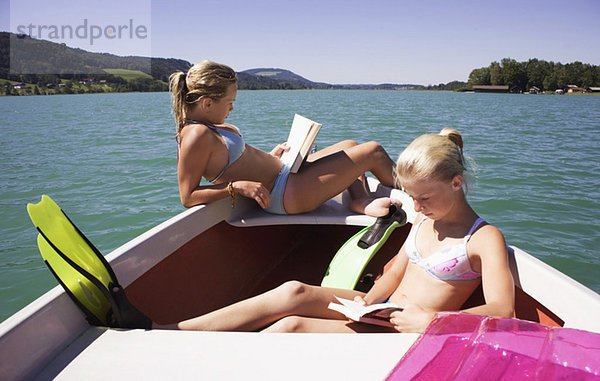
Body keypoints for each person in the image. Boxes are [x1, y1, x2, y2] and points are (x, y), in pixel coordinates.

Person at [156, 128, 515, 333]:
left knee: (290, 328)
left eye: (423, 198)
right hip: (381, 310)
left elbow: (502, 310)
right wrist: (368, 301)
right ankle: (174, 332)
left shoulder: (483, 238)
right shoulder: (424, 219)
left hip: (404, 331)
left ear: (456, 183)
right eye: (413, 197)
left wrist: (428, 321)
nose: (414, 207)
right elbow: (395, 278)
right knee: (293, 290)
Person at [169, 60, 397, 216]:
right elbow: (187, 196)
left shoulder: (207, 126)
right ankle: (420, 189)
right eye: (230, 103)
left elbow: (237, 163)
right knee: (373, 151)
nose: (231, 109)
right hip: (284, 192)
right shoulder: (195, 135)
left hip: (284, 174)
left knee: (351, 145)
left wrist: (272, 156)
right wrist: (235, 188)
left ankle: (361, 200)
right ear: (208, 104)